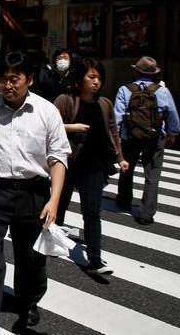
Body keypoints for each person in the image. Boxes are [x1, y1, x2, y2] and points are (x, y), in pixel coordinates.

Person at [0, 51, 70, 334]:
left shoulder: (47, 112)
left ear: (29, 80)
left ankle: (29, 300)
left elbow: (58, 158)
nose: (8, 85)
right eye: (3, 79)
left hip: (32, 193)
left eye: (14, 79)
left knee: (31, 259)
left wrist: (54, 200)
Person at [54, 58, 129, 275]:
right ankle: (52, 241)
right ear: (80, 79)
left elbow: (113, 132)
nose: (97, 82)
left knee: (92, 212)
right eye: (92, 77)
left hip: (95, 165)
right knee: (59, 206)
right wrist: (73, 127)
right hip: (68, 163)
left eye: (100, 78)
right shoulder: (65, 100)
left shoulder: (104, 104)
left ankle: (95, 260)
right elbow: (50, 126)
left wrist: (120, 158)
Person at [113, 56, 180, 225]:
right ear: (154, 74)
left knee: (127, 168)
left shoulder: (125, 90)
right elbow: (172, 113)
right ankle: (146, 213)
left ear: (136, 72)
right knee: (152, 174)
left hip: (130, 137)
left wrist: (116, 137)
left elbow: (117, 116)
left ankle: (124, 200)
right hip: (155, 138)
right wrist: (173, 132)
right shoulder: (162, 91)